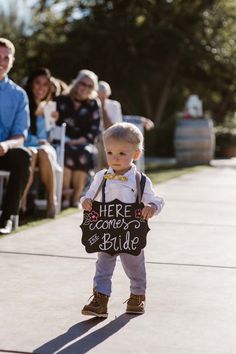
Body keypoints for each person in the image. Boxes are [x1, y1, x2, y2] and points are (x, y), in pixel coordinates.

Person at [80, 122, 164, 317]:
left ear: (135, 154)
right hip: (106, 230)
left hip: (130, 232)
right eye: (110, 153)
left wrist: (151, 207)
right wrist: (86, 201)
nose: (115, 158)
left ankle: (137, 295)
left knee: (134, 264)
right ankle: (100, 299)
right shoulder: (101, 176)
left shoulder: (140, 180)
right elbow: (89, 195)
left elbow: (156, 200)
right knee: (103, 264)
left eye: (121, 154)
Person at [55, 69, 101, 208]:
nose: (85, 88)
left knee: (84, 153)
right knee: (66, 151)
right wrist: (66, 139)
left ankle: (76, 196)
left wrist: (78, 140)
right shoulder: (62, 99)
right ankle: (64, 194)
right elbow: (54, 124)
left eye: (90, 86)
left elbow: (94, 130)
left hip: (84, 142)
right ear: (76, 83)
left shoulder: (93, 104)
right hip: (63, 140)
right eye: (83, 84)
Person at [0, 38, 31, 234]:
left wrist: (5, 145)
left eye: (5, 58)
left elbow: (20, 135)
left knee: (23, 155)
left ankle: (6, 218)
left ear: (12, 61)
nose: (1, 62)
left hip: (3, 151)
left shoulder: (19, 95)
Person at [21, 67, 59, 218]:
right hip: (26, 145)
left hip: (45, 148)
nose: (41, 88)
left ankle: (51, 200)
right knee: (32, 152)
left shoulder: (50, 107)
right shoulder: (23, 102)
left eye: (45, 84)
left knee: (43, 151)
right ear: (31, 83)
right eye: (38, 83)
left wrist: (54, 120)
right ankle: (21, 201)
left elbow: (50, 136)